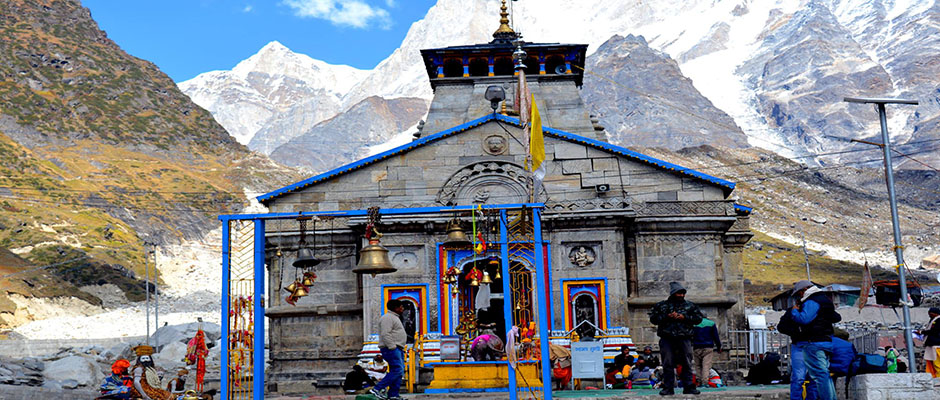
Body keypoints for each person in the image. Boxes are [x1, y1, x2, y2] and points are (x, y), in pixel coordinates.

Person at [649, 281, 704, 396]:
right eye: (678, 293)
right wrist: (667, 317)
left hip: (684, 338)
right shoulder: (662, 305)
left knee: (687, 363)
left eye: (683, 293)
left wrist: (684, 317)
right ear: (673, 293)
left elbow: (698, 318)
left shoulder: (690, 305)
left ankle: (688, 386)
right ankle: (668, 387)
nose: (681, 296)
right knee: (667, 363)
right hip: (667, 338)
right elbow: (653, 319)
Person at [790, 280, 841, 400]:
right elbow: (836, 317)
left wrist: (795, 311)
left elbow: (804, 319)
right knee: (824, 374)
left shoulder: (812, 300)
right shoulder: (825, 299)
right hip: (827, 341)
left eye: (799, 293)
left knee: (819, 376)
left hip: (814, 342)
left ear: (804, 290)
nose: (800, 296)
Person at [370, 299, 407, 400]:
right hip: (391, 348)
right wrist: (392, 346)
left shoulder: (394, 318)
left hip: (397, 348)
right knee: (398, 370)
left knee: (399, 371)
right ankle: (377, 388)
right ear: (396, 308)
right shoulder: (387, 318)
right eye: (401, 307)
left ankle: (393, 394)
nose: (402, 309)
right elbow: (385, 333)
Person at [691, 315, 722, 386]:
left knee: (698, 365)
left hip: (697, 347)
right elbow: (716, 336)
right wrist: (719, 346)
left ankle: (698, 381)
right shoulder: (711, 323)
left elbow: (691, 336)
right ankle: (705, 381)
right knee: (706, 365)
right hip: (708, 347)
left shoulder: (694, 324)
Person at [919, 307, 940, 378]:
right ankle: (935, 377)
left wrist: (922, 332)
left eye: (931, 314)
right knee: (933, 364)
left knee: (937, 364)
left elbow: (934, 331)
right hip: (932, 345)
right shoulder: (932, 320)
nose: (929, 315)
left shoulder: (938, 321)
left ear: (935, 314)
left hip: (936, 345)